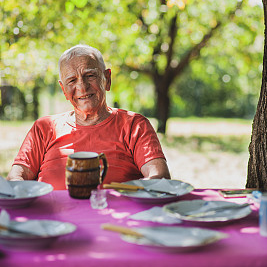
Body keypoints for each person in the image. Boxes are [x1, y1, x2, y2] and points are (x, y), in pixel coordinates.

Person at [7, 44, 170, 189]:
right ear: (63, 90)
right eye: (72, 80)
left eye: (90, 75)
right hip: (52, 218)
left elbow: (159, 177)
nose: (82, 87)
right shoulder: (44, 128)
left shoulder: (134, 125)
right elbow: (16, 177)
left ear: (107, 79)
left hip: (116, 216)